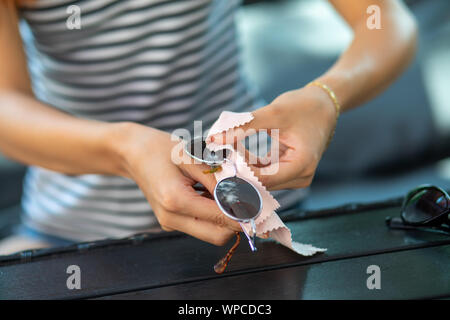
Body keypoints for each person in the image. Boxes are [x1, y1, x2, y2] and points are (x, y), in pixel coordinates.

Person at [0, 0, 417, 254]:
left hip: (262, 219)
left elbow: (384, 20)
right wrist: (124, 148)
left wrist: (327, 96)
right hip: (76, 233)